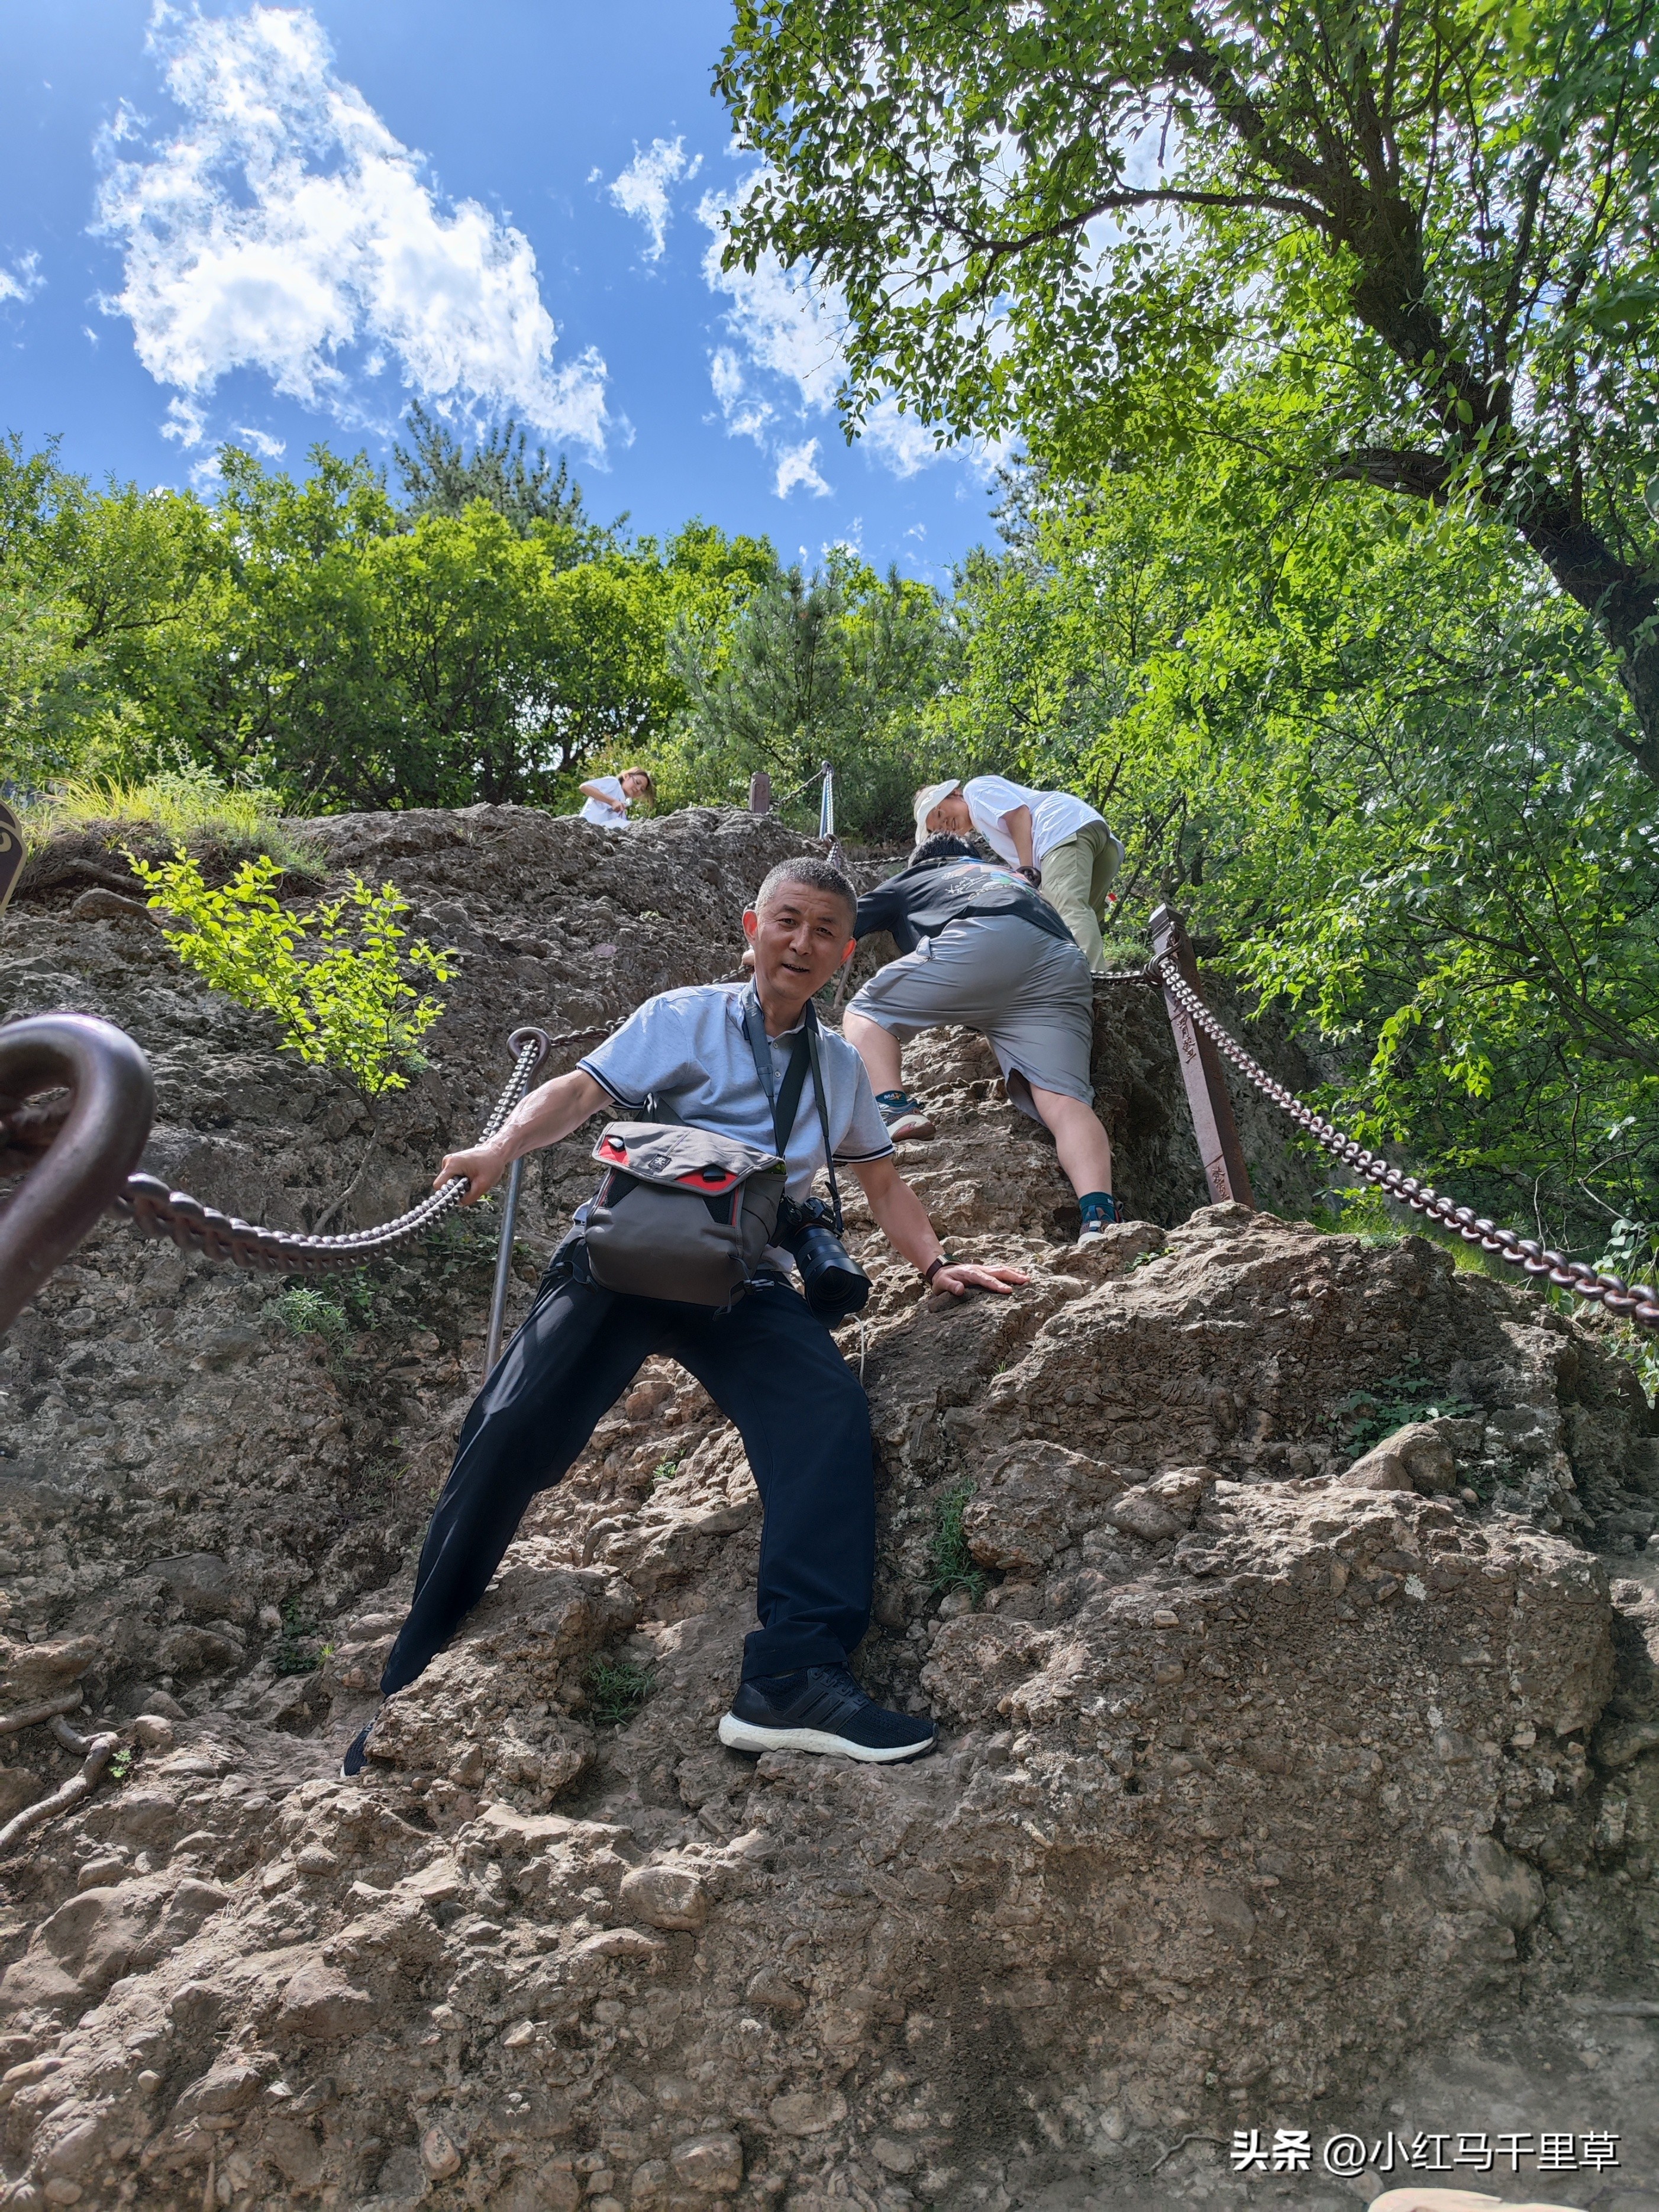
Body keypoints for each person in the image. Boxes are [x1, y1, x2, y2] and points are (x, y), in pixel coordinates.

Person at [340, 857, 1028, 1780]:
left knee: (824, 1414)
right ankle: (409, 1683)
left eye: (825, 930)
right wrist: (501, 1145)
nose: (802, 941)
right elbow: (580, 1093)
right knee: (503, 1434)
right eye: (788, 920)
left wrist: (939, 1263)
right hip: (618, 1261)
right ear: (753, 925)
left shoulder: (838, 1068)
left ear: (846, 953)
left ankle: (792, 1676)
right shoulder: (682, 1016)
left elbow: (882, 1179)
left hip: (743, 1279)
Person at [843, 834, 1121, 1239]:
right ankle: (1100, 1218)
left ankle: (893, 1107)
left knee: (866, 1010)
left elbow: (837, 920)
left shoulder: (919, 876)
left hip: (985, 941)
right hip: (1061, 962)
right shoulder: (1011, 878)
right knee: (1063, 1101)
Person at [914, 776, 1124, 975]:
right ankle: (1103, 974)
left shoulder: (974, 791)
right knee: (1081, 915)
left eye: (940, 814)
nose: (945, 825)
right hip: (1093, 835)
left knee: (1066, 910)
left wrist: (1026, 870)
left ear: (955, 793)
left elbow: (1018, 814)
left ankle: (1090, 982)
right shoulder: (986, 826)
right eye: (938, 828)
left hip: (1060, 833)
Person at [579, 766, 655, 826]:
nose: (638, 789)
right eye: (637, 782)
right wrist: (612, 802)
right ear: (626, 776)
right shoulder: (614, 783)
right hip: (588, 824)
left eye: (642, 790)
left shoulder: (624, 805)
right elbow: (584, 787)